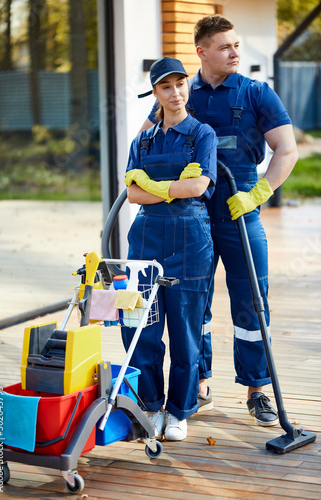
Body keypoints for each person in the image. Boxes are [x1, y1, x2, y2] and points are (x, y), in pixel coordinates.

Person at [140, 15, 298, 427]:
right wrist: (153, 186)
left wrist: (259, 193)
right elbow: (146, 145)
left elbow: (287, 150)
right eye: (225, 46)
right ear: (202, 51)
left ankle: (257, 390)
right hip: (191, 220)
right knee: (195, 303)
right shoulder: (179, 93)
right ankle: (202, 383)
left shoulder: (257, 94)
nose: (235, 52)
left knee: (252, 301)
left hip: (240, 212)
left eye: (237, 45)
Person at [121, 56, 217, 441]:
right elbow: (130, 194)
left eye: (181, 84)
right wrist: (172, 187)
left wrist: (154, 188)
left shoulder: (202, 135)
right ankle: (148, 407)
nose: (175, 93)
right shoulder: (142, 140)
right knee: (140, 328)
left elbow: (197, 188)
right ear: (155, 94)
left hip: (190, 241)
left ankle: (178, 411)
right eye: (166, 87)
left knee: (185, 329)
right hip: (145, 240)